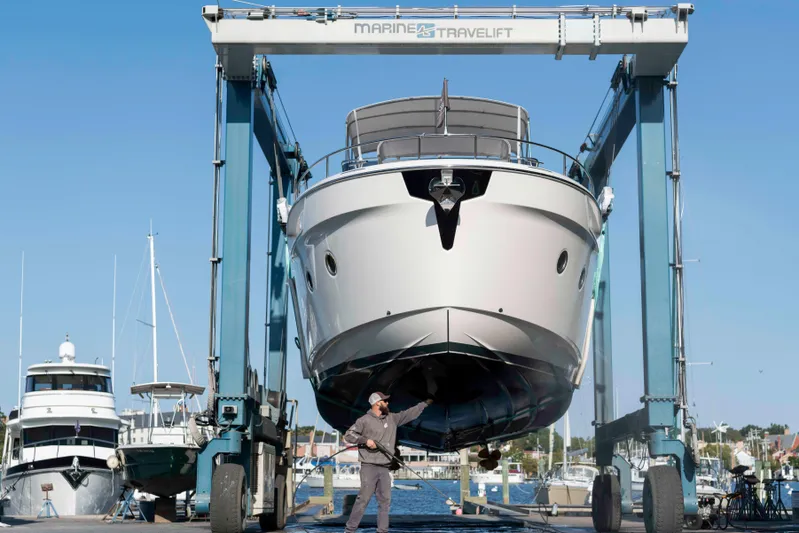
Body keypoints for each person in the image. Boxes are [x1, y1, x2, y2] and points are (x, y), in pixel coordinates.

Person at [342, 392, 432, 533]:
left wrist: (425, 404)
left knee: (385, 502)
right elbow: (348, 435)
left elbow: (409, 414)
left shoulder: (393, 418)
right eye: (385, 401)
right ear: (377, 403)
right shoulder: (364, 420)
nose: (388, 403)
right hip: (369, 467)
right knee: (363, 500)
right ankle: (350, 530)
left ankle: (382, 531)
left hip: (384, 468)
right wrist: (366, 441)